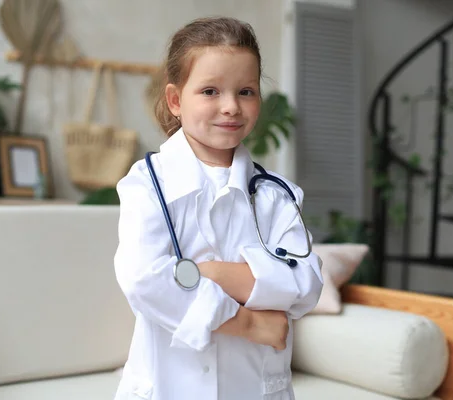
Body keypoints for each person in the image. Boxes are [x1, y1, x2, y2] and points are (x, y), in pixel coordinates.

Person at [113, 16, 323, 400]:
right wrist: (247, 322)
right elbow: (144, 281)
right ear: (175, 100)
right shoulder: (147, 184)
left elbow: (306, 284)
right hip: (168, 386)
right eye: (210, 91)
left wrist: (211, 273)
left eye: (246, 91)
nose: (230, 107)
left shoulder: (277, 195)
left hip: (255, 386)